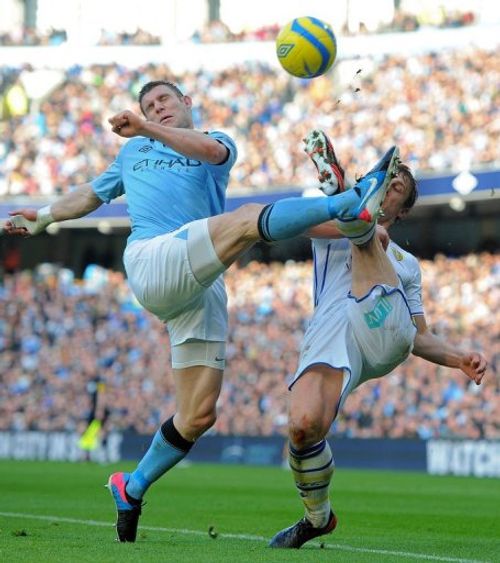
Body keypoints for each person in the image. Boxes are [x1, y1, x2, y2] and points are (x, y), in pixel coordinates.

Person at [3, 81, 399, 543]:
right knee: (250, 218)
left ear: (186, 104)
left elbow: (209, 153)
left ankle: (130, 488)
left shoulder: (218, 142)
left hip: (200, 282)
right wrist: (46, 216)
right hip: (153, 258)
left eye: (164, 101)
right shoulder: (131, 154)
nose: (156, 109)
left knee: (197, 415)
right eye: (149, 105)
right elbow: (91, 195)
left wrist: (146, 127)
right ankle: (352, 199)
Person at [269, 130, 488, 549]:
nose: (390, 186)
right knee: (302, 428)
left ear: (400, 211)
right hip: (331, 333)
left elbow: (420, 337)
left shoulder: (407, 265)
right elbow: (295, 224)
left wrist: (458, 356)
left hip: (383, 330)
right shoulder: (325, 226)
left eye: (396, 187)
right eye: (384, 181)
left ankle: (356, 215)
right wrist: (346, 219)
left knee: (363, 233)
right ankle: (317, 517)